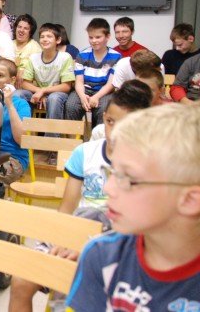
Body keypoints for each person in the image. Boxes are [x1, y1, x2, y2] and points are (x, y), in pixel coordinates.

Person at [9, 80, 153, 312]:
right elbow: (67, 208)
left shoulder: (151, 163)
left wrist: (88, 246)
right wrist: (63, 239)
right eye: (110, 122)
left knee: (75, 291)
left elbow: (141, 226)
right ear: (104, 118)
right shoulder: (85, 153)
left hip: (119, 241)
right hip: (77, 228)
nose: (115, 132)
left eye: (126, 126)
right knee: (21, 281)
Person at [65, 104, 200, 311]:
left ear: (190, 200)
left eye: (128, 178)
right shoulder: (101, 255)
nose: (108, 188)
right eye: (112, 172)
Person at [16, 23, 75, 129]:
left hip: (58, 94)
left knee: (54, 98)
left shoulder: (65, 57)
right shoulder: (33, 58)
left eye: (49, 36)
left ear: (58, 40)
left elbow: (66, 86)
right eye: (42, 37)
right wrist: (40, 92)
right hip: (38, 93)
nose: (45, 39)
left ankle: (52, 136)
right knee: (18, 94)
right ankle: (21, 131)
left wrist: (43, 91)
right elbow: (25, 83)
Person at [65, 18, 122, 127]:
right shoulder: (82, 55)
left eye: (98, 37)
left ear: (108, 37)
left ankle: (97, 136)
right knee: (71, 106)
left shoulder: (116, 56)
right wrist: (82, 97)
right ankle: (72, 136)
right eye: (91, 37)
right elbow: (79, 82)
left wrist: (96, 97)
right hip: (84, 89)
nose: (94, 40)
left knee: (104, 108)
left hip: (104, 91)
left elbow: (111, 84)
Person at [0, 58, 31, 185]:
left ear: (12, 80)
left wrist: (9, 104)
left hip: (13, 157)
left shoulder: (21, 104)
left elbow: (21, 140)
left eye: (0, 75)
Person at [12, 14, 41, 89]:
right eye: (19, 27)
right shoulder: (8, 44)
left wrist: (23, 71)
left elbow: (38, 71)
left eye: (26, 28)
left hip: (27, 88)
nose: (21, 30)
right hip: (8, 85)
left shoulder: (35, 47)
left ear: (30, 32)